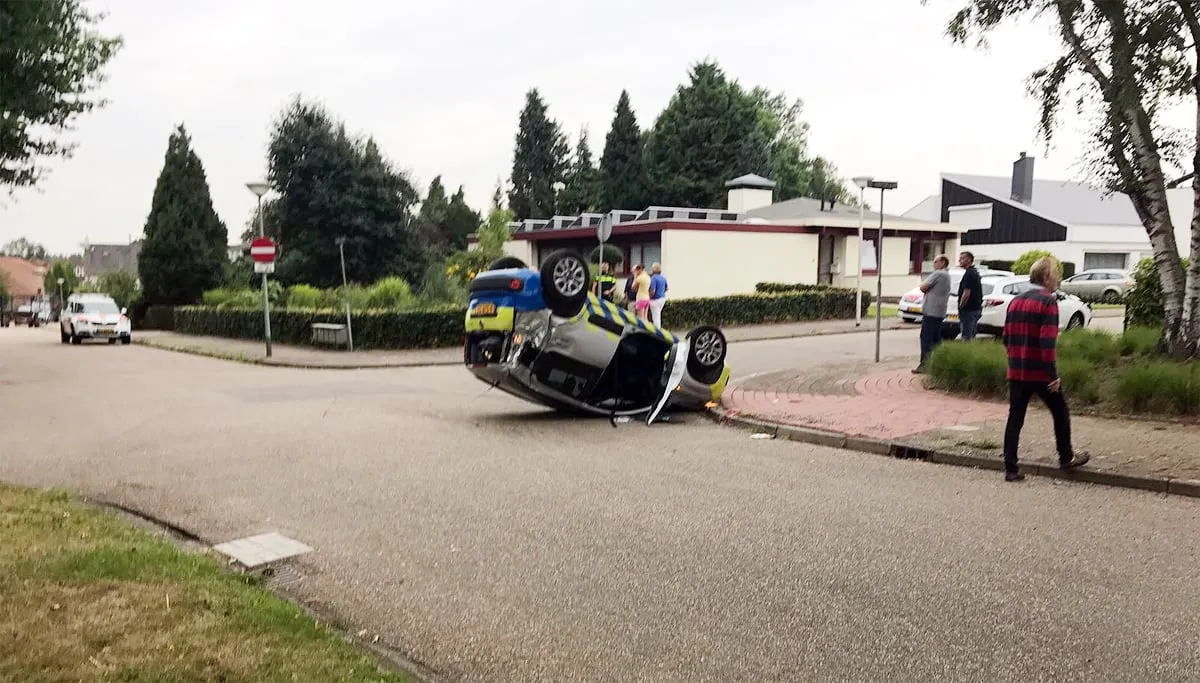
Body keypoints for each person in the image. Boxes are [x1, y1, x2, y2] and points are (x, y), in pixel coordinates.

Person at [1001, 256, 1090, 482]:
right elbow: (1047, 342)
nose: (1058, 279)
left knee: (1015, 417)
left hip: (1017, 371)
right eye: (1056, 274)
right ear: (1046, 277)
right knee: (1060, 411)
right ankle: (1066, 456)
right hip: (1040, 373)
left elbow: (1006, 337)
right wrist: (1053, 376)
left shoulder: (1015, 301)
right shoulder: (1048, 302)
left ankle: (1011, 468)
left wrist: (1014, 358)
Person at [913, 255, 951, 374]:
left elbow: (922, 287)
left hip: (931, 311)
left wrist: (925, 287)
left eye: (936, 261)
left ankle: (925, 364)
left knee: (926, 338)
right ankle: (943, 362)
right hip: (939, 311)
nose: (934, 264)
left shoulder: (938, 274)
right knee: (936, 339)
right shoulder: (947, 275)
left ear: (943, 263)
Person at [957, 251, 983, 341]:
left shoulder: (969, 273)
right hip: (975, 308)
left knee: (966, 336)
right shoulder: (974, 272)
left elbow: (966, 292)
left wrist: (961, 306)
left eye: (962, 258)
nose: (959, 260)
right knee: (971, 334)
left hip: (968, 309)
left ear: (968, 260)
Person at [648, 262, 668, 327]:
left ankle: (657, 330)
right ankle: (658, 328)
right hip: (662, 299)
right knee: (658, 315)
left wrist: (649, 297)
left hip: (655, 300)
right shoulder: (663, 278)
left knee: (655, 317)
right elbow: (666, 288)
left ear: (653, 269)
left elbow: (652, 290)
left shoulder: (653, 278)